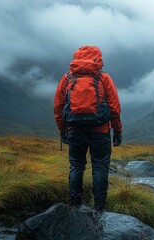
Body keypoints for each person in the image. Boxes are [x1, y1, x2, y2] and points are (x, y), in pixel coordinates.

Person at [53, 46, 122, 211]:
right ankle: (99, 206)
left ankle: (75, 203)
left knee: (76, 165)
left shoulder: (67, 78)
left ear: (76, 58)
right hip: (101, 131)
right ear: (98, 59)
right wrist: (117, 130)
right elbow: (114, 107)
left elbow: (58, 106)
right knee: (99, 166)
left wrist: (62, 129)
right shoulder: (103, 78)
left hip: (75, 130)